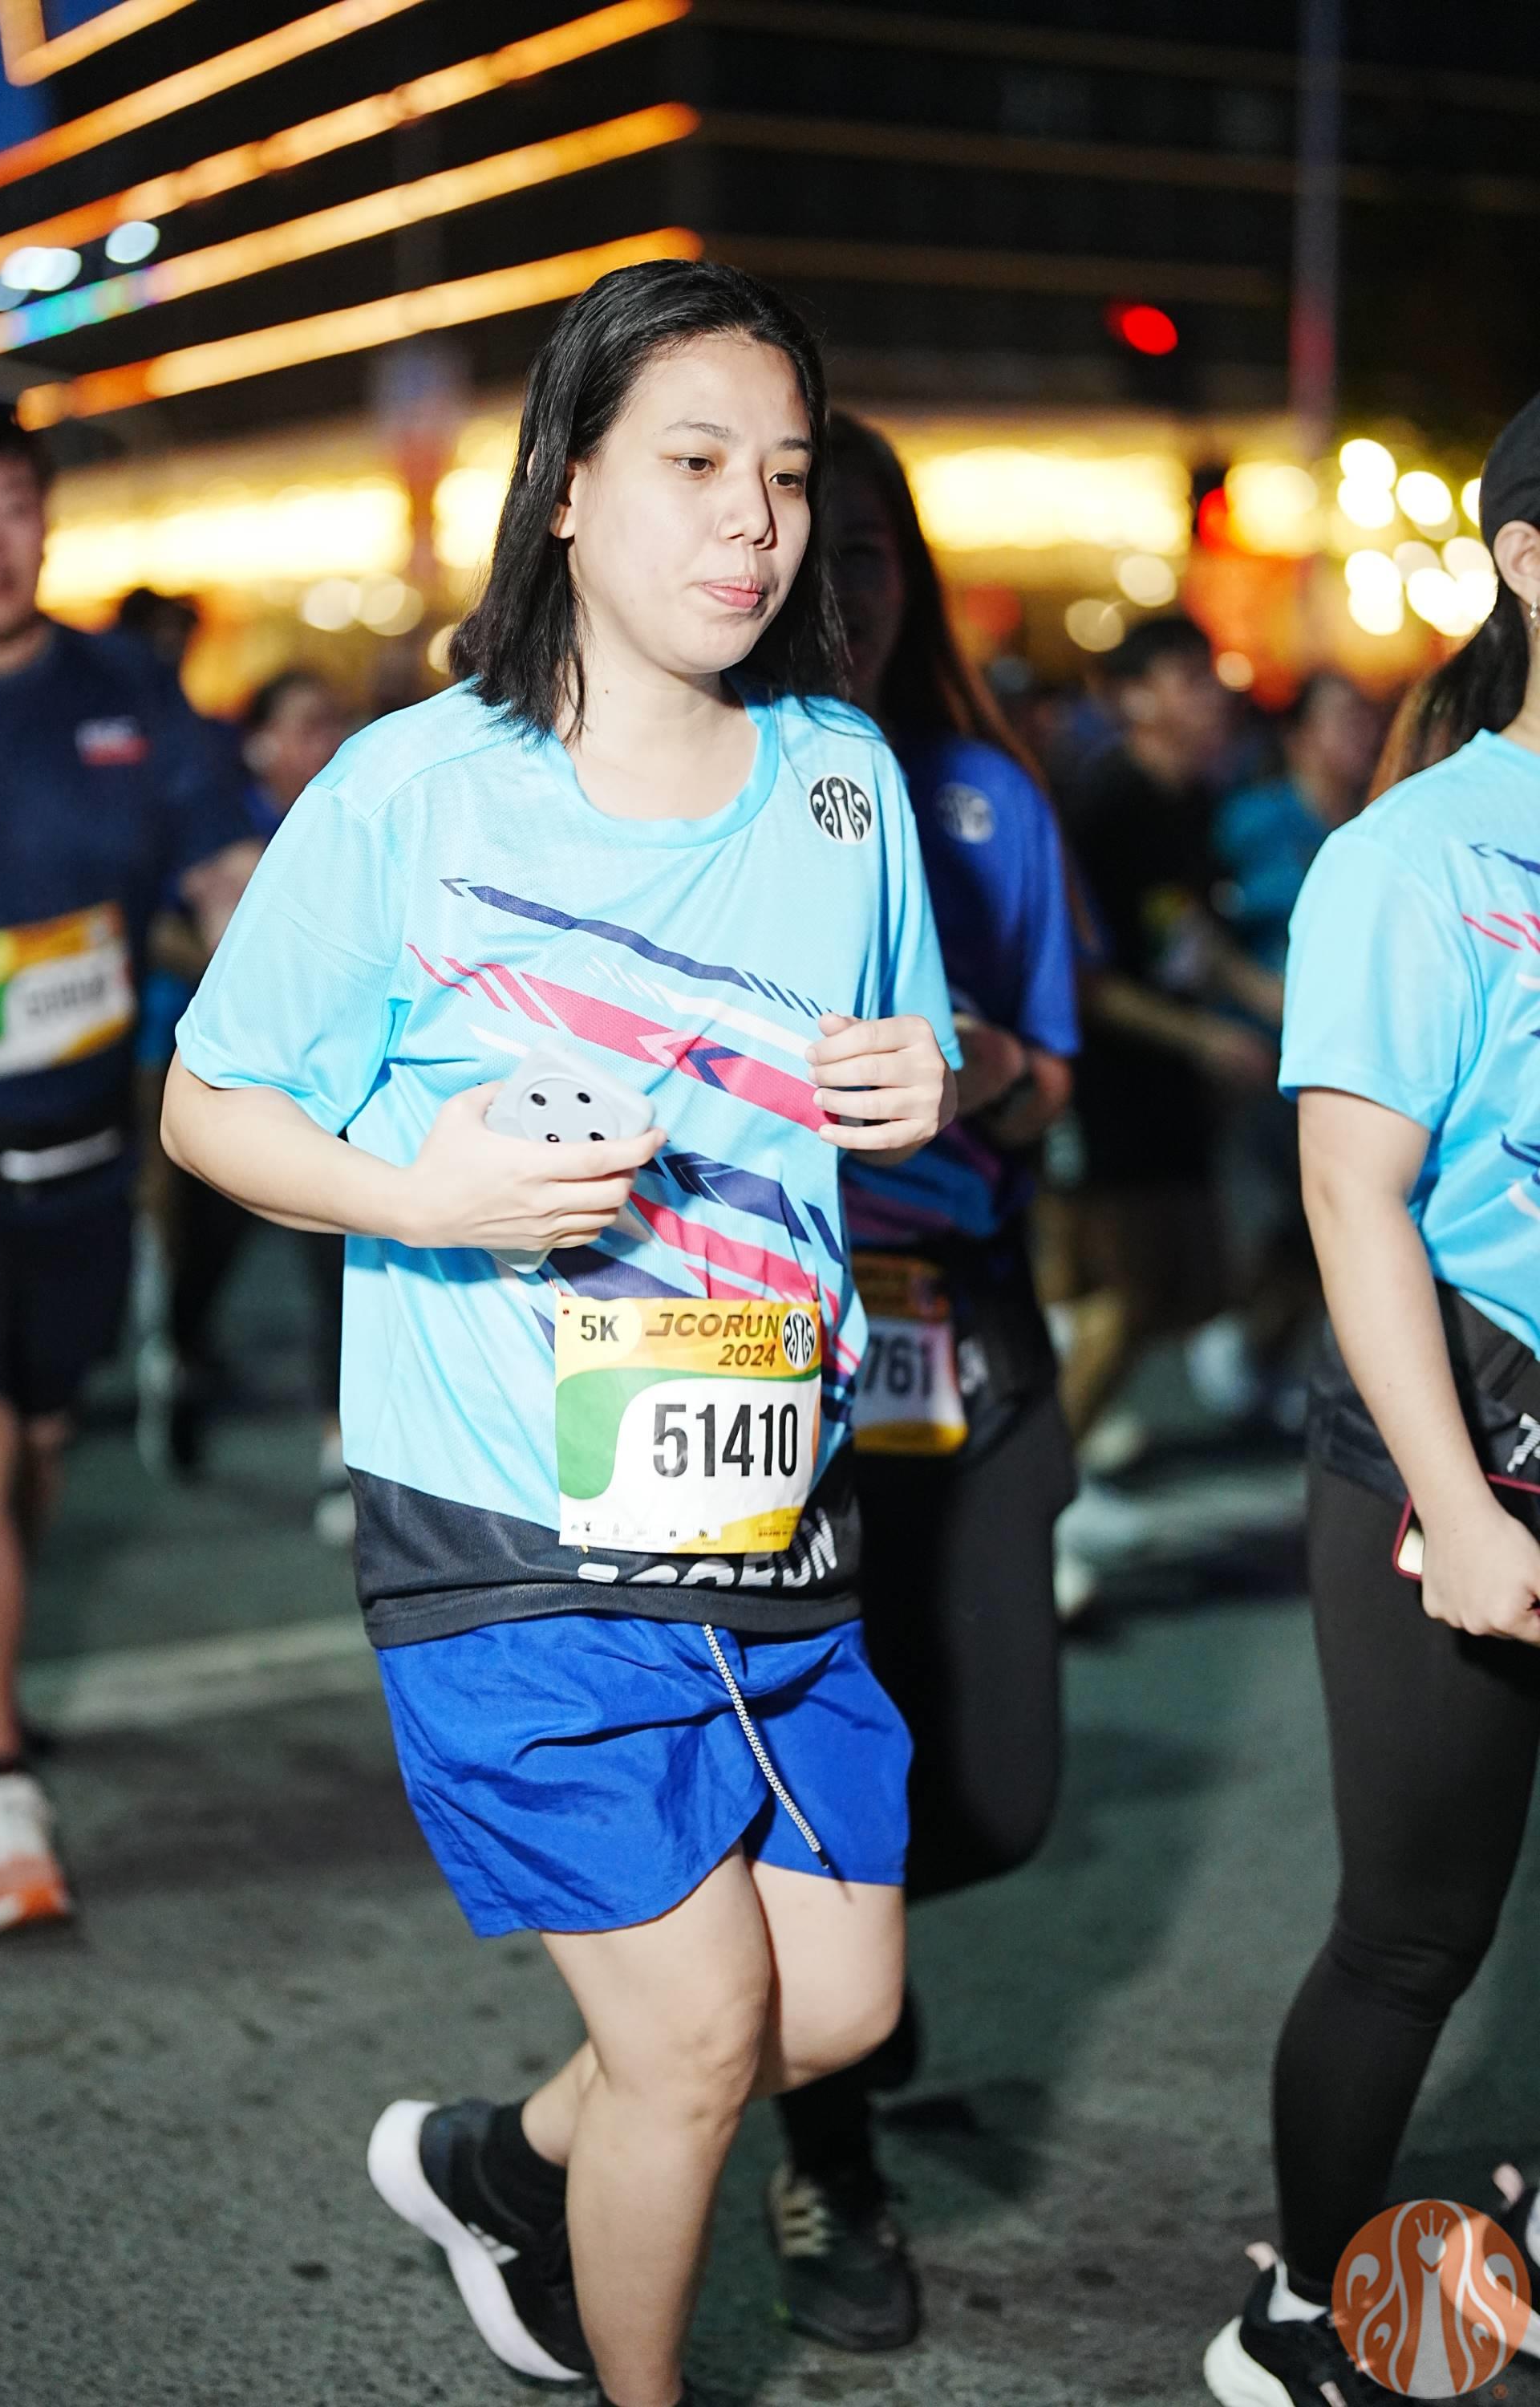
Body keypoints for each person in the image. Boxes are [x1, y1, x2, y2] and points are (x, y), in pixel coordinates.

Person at [161, 260, 958, 2407]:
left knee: (833, 2010)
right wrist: (418, 1195)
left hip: (769, 1504)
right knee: (692, 2035)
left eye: (783, 473)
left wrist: (930, 1074)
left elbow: (904, 1047)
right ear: (567, 486)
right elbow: (208, 1104)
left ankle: (509, 2172)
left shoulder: (841, 778)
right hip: (505, 1520)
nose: (751, 521)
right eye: (694, 461)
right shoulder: (413, 789)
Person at [1203, 394, 1540, 2404]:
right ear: (1525, 562)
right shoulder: (1416, 854)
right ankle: (1300, 2314)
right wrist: (1464, 1505)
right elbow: (1351, 1195)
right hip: (1462, 1439)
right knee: (1414, 1932)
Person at [760, 412, 1079, 2350]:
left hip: (959, 1329)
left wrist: (989, 1069)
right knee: (811, 1774)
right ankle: (823, 2151)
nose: (843, 587)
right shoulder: (704, 778)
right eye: (816, 548)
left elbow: (1051, 1078)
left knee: (999, 1790)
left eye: (873, 552)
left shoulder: (983, 797)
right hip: (751, 1343)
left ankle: (823, 1999)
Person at [0, 397, 257, 1941]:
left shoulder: (126, 692)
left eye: (11, 507)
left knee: (40, 1439)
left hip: (78, 1136)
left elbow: (225, 874)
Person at [1048, 617, 1277, 1605]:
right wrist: (1201, 1038)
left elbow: (1191, 939)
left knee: (1157, 1294)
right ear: (1130, 696)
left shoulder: (1188, 799)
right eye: (1185, 678)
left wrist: (1269, 1004)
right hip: (1102, 1082)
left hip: (1165, 1084)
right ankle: (1037, 1496)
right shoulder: (1103, 806)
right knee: (1127, 1292)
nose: (1209, 695)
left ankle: (1063, 1473)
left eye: (1210, 677)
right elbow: (1083, 977)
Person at [137, 671, 353, 1538]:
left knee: (338, 1261)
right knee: (205, 1262)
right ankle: (180, 1366)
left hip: (331, 1082)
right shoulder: (219, 823)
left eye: (333, 721)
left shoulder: (359, 810)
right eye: (305, 724)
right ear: (258, 741)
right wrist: (238, 969)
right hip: (218, 1078)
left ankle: (339, 1456)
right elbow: (152, 925)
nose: (324, 740)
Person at [1189, 675, 1384, 1424]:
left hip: (1357, 1061)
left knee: (1334, 1222)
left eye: (1366, 717)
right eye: (1342, 718)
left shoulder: (1380, 816)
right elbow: (1196, 932)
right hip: (1268, 1056)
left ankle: (1262, 1356)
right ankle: (1241, 1344)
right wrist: (1260, 996)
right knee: (1297, 1217)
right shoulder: (1250, 822)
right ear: (1298, 735)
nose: (1361, 732)